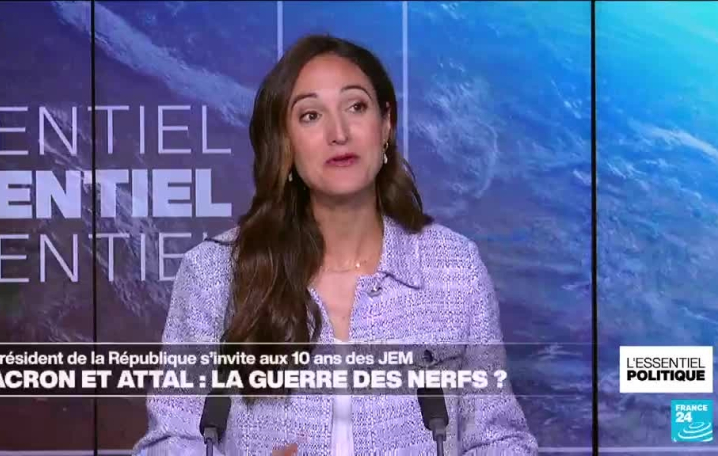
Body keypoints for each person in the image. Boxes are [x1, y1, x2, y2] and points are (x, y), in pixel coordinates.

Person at [133, 34, 538, 455]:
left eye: (356, 107)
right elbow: (169, 440)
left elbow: (498, 439)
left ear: (385, 125)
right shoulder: (214, 275)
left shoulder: (454, 268)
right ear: (285, 142)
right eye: (310, 115)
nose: (339, 133)